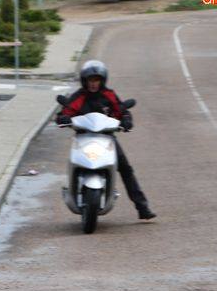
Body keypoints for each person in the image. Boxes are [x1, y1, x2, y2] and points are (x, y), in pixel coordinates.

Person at [56, 60, 156, 220]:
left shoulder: (109, 95)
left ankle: (142, 207)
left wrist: (126, 119)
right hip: (83, 137)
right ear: (85, 80)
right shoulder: (79, 96)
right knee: (73, 162)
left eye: (96, 80)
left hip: (107, 138)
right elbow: (67, 110)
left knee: (125, 168)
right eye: (90, 80)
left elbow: (121, 110)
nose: (94, 83)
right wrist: (63, 117)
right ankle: (73, 191)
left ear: (102, 80)